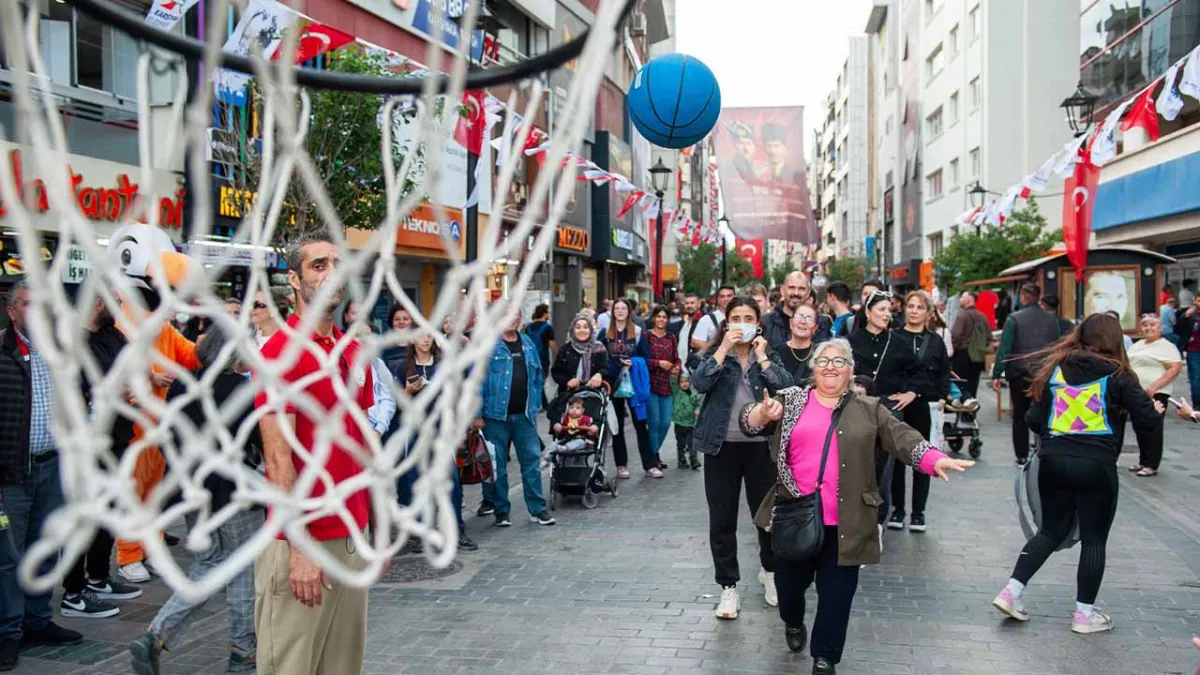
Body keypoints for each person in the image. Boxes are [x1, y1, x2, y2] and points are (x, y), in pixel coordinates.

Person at [741, 338, 972, 675]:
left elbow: (902, 437)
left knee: (837, 597)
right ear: (813, 369)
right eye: (824, 361)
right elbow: (750, 421)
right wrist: (762, 412)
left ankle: (825, 658)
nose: (831, 367)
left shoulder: (869, 409)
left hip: (848, 523)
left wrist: (933, 459)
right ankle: (792, 620)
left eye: (839, 362)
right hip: (795, 515)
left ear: (850, 371)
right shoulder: (791, 400)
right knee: (789, 590)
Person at [253, 235, 380, 674]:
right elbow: (278, 459)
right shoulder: (279, 352)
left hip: (351, 536)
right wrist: (299, 547)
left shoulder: (352, 352)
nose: (331, 274)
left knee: (343, 667)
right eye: (318, 265)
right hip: (304, 541)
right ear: (294, 279)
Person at [992, 313, 1160, 635]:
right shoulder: (1119, 374)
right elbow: (1148, 422)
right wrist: (1154, 411)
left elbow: (1033, 419)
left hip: (1054, 461)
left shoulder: (1056, 369)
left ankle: (1011, 592)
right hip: (1097, 465)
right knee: (1094, 539)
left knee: (1050, 531)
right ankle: (1084, 615)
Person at [131, 324, 264, 674]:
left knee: (208, 565)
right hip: (234, 493)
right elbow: (260, 442)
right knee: (242, 569)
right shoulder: (243, 390)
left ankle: (156, 634)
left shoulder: (183, 385)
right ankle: (243, 651)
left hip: (192, 491)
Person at [690, 297, 794, 619]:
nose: (742, 323)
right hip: (721, 446)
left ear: (758, 323)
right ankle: (728, 587)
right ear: (726, 322)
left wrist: (762, 357)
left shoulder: (768, 353)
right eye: (736, 317)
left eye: (749, 318)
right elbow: (699, 383)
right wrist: (723, 348)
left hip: (761, 446)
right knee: (722, 519)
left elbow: (786, 386)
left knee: (766, 516)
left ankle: (770, 572)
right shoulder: (715, 354)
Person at [1, 282, 85, 672]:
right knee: (8, 557)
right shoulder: (3, 351)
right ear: (12, 311)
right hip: (11, 473)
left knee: (47, 546)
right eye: (29, 305)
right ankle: (8, 632)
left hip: (53, 465)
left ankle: (36, 620)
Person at [60, 293, 142, 620]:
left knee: (109, 511)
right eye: (114, 301)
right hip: (86, 443)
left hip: (117, 436)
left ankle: (97, 577)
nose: (120, 307)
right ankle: (73, 592)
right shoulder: (73, 340)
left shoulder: (113, 335)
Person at [395, 332, 476, 551]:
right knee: (417, 482)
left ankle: (456, 530)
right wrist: (407, 391)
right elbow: (396, 404)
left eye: (429, 336)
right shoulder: (404, 367)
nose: (425, 340)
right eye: (420, 336)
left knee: (451, 482)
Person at [881, 292, 950, 533]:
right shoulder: (893, 337)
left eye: (919, 307)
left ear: (928, 312)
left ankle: (918, 513)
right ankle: (898, 509)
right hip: (897, 405)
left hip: (924, 405)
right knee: (897, 459)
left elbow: (943, 373)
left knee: (922, 459)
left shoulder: (935, 341)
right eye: (910, 306)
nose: (913, 311)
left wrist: (941, 398)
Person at [479, 314, 555, 527]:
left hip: (525, 416)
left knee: (532, 463)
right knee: (498, 466)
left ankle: (537, 509)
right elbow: (477, 381)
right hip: (495, 416)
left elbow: (538, 375)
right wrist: (476, 415)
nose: (511, 319)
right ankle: (501, 511)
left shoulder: (528, 343)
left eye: (515, 315)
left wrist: (535, 403)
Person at [992, 283, 1063, 466]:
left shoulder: (1014, 319)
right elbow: (1057, 347)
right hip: (1044, 373)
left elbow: (1005, 349)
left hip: (1019, 373)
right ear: (1038, 298)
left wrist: (997, 374)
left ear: (1022, 297)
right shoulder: (1051, 320)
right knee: (1046, 413)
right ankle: (1044, 450)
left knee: (1020, 415)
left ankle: (1021, 455)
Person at [602, 298, 657, 478]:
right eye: (616, 308)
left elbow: (646, 357)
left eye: (623, 308)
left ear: (629, 311)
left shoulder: (638, 332)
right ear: (612, 312)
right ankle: (621, 465)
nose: (620, 311)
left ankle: (649, 465)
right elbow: (598, 356)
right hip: (613, 384)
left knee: (640, 423)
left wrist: (633, 362)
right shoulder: (605, 332)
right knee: (616, 425)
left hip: (633, 384)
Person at [1124, 313, 1182, 477]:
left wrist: (1154, 387)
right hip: (1137, 392)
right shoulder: (1137, 345)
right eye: (1144, 325)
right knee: (1139, 427)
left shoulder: (1167, 347)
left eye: (1152, 325)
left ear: (1160, 328)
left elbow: (1175, 368)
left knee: (1152, 427)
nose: (1148, 328)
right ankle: (1143, 460)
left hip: (1156, 392)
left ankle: (1151, 464)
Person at [639, 306, 680, 467]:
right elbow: (641, 360)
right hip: (650, 383)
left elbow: (676, 358)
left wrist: (677, 366)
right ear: (654, 318)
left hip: (667, 383)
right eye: (659, 316)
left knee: (666, 422)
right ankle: (654, 456)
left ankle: (654, 451)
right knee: (654, 421)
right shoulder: (646, 336)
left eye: (664, 317)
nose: (661, 320)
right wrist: (658, 363)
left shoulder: (671, 337)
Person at [548, 315, 608, 421]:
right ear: (572, 330)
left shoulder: (599, 349)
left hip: (593, 397)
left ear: (590, 330)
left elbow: (606, 367)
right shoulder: (565, 349)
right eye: (578, 327)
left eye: (585, 327)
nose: (582, 330)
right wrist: (568, 382)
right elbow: (556, 372)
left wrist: (599, 374)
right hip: (569, 397)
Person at [762, 272, 830, 349]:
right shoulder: (766, 322)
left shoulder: (822, 324)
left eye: (801, 289)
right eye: (791, 288)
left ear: (808, 292)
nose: (796, 293)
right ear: (783, 290)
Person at [950, 291, 991, 399]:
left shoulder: (962, 316)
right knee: (974, 383)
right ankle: (972, 404)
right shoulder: (982, 316)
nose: (960, 300)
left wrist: (954, 349)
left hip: (963, 355)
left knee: (961, 384)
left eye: (962, 297)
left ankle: (963, 405)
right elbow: (989, 337)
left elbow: (955, 335)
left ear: (968, 300)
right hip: (978, 355)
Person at [777, 303, 819, 385]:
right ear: (791, 322)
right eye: (799, 317)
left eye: (809, 319)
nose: (803, 322)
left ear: (815, 328)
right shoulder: (775, 352)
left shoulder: (820, 354)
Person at [671, 371, 702, 470]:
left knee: (692, 443)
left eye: (686, 381)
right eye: (682, 382)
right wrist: (674, 374)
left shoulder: (693, 394)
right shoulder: (677, 392)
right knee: (681, 443)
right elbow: (672, 382)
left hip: (690, 423)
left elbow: (698, 404)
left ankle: (694, 460)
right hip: (679, 423)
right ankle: (681, 460)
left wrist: (697, 410)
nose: (684, 384)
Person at [690, 285, 735, 354]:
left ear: (735, 298)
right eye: (722, 296)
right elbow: (695, 342)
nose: (726, 299)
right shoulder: (707, 319)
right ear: (718, 300)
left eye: (729, 296)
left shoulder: (744, 316)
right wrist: (719, 351)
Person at [381, 304, 414, 381]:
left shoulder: (419, 345)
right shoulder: (384, 348)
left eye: (405, 319)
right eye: (397, 319)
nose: (401, 322)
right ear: (391, 322)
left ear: (412, 322)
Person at [524, 303, 556, 373]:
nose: (549, 314)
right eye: (548, 312)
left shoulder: (527, 328)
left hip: (530, 360)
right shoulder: (548, 328)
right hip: (543, 361)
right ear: (544, 314)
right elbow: (552, 346)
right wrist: (557, 358)